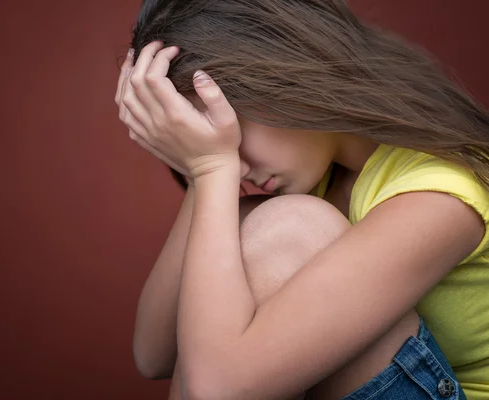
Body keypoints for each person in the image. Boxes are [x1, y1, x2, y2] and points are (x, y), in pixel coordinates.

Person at [114, 1, 489, 399]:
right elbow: (155, 354)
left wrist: (212, 166)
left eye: (225, 129)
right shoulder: (323, 180)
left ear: (277, 79)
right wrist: (200, 172)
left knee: (289, 225)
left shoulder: (441, 194)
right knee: (235, 227)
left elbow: (217, 389)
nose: (235, 166)